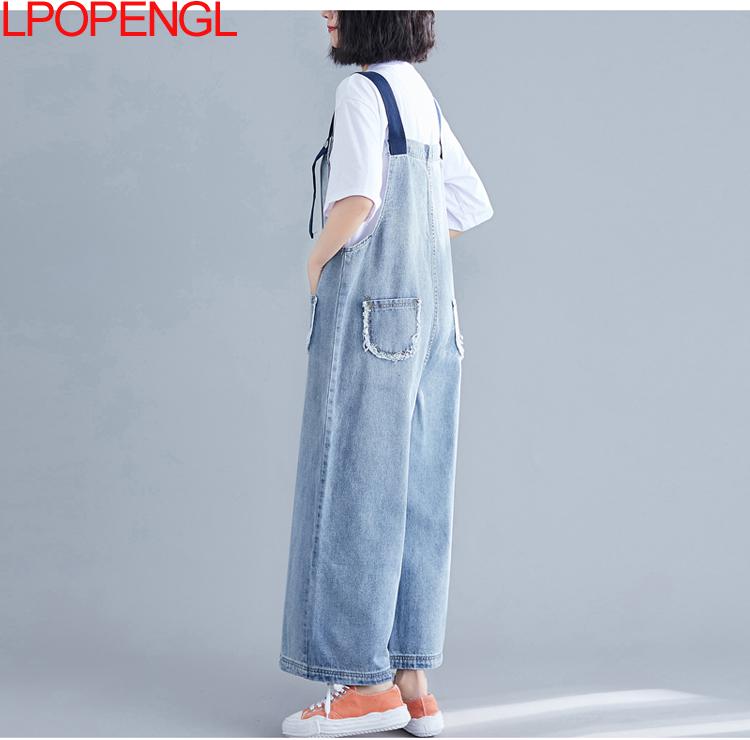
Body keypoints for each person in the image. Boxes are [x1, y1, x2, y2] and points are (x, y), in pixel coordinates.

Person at [279, 10, 494, 737]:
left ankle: (363, 687)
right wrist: (412, 238)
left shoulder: (363, 93)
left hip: (374, 315)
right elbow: (468, 201)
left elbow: (358, 201)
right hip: (437, 318)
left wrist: (318, 259)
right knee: (417, 493)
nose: (325, 14)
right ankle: (413, 684)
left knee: (354, 488)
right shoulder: (421, 97)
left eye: (336, 4)